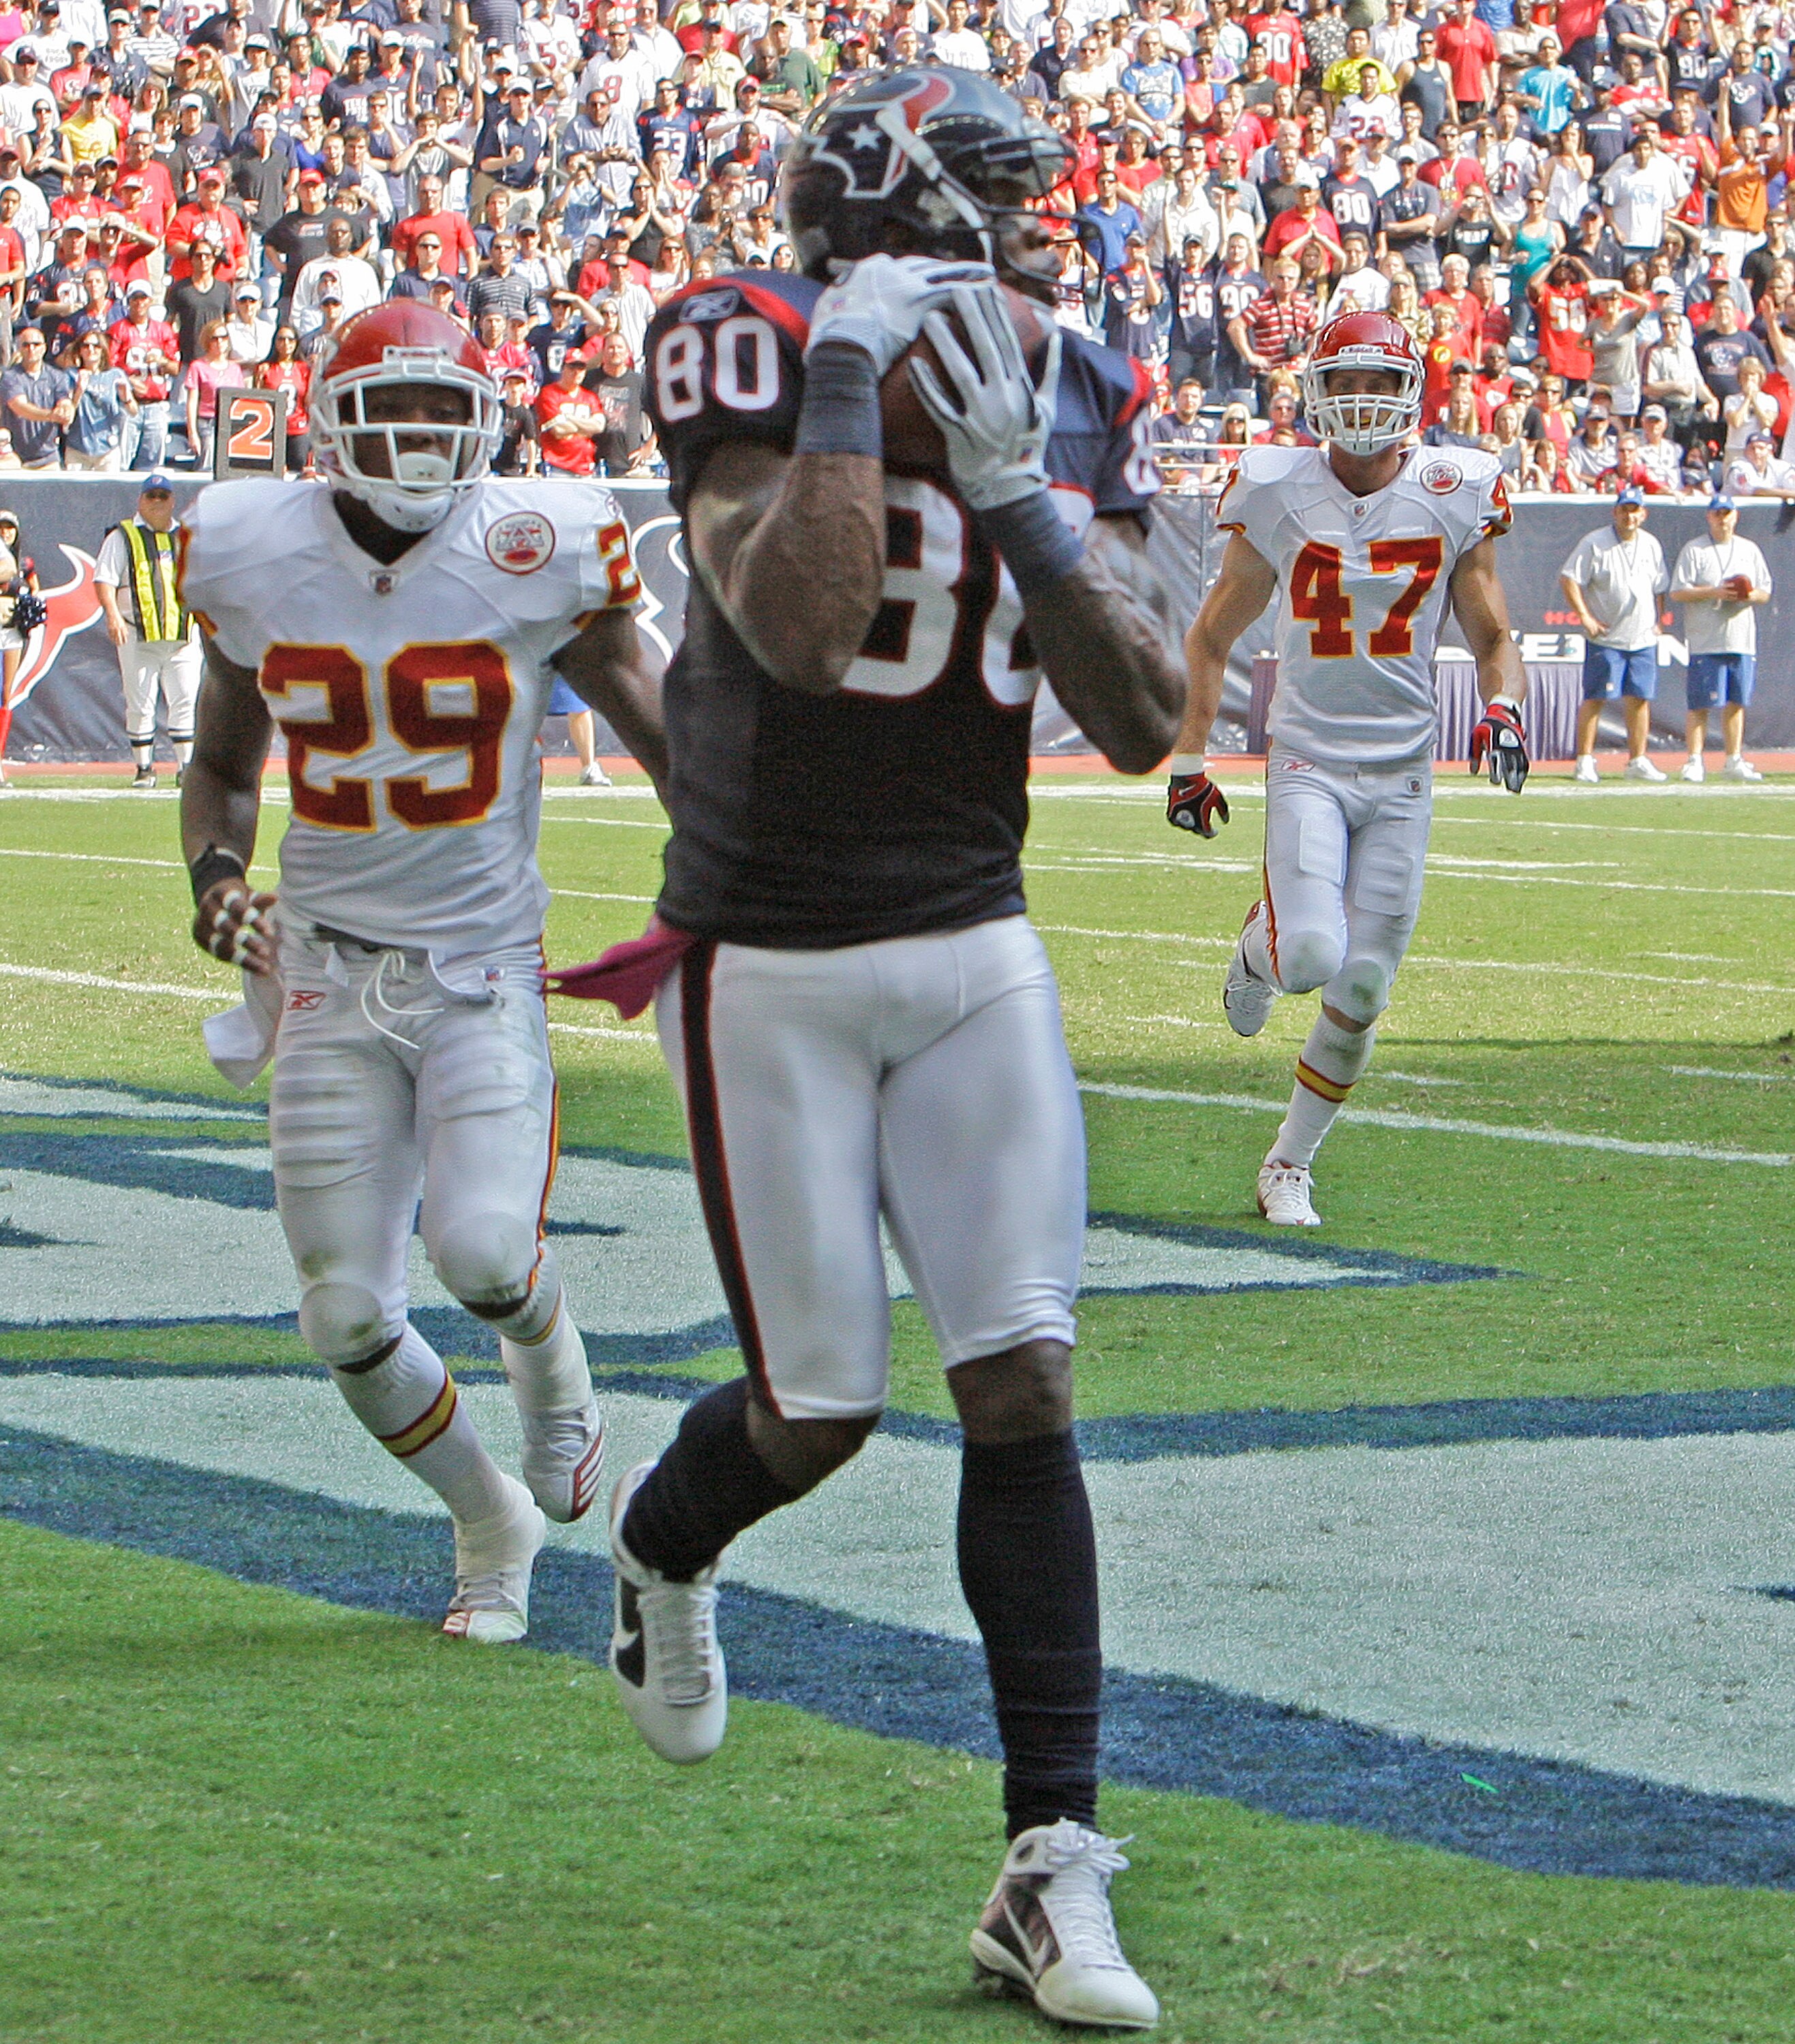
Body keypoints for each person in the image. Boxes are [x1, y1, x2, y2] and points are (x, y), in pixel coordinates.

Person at [610, 69, 1182, 2032]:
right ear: (893, 202)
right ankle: (664, 1548)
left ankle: (1048, 1866)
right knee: (821, 1413)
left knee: (1022, 1381)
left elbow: (1148, 720)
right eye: (1005, 189)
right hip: (771, 953)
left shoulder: (1068, 369)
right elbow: (793, 624)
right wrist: (851, 388)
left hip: (974, 943)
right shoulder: (746, 340)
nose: (1043, 220)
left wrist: (1021, 491)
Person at [177, 301, 666, 1644]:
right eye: (392, 411)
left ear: (487, 419)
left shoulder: (538, 539)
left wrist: (739, 883)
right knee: (342, 1315)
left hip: (480, 967)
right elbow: (222, 766)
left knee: (490, 1253)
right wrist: (217, 886)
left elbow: (661, 722)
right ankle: (484, 1515)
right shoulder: (252, 546)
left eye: (446, 411)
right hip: (328, 977)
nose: (419, 439)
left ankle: (557, 1382)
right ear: (328, 429)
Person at [1170, 309, 1525, 1228]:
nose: (1364, 402)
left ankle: (1288, 1163)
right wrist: (1187, 757)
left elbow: (1491, 634)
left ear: (1413, 395)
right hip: (1309, 761)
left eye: (1381, 383)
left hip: (1404, 773)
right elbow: (1211, 635)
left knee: (1362, 986)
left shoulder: (1455, 487)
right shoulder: (1279, 489)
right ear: (1316, 394)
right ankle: (1261, 947)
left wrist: (1504, 707)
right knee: (1311, 958)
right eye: (1346, 383)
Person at [94, 471, 198, 788]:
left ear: (172, 501)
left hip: (182, 634)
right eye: (151, 497)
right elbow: (105, 579)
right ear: (140, 500)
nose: (156, 503)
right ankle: (144, 767)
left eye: (162, 497)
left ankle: (187, 767)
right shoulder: (123, 536)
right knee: (140, 701)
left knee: (184, 699)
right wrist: (112, 614)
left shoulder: (185, 535)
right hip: (137, 632)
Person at [1561, 486, 1668, 781]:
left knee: (1640, 699)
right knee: (1596, 698)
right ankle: (1584, 759)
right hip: (1607, 637)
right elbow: (1570, 578)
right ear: (1615, 512)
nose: (1630, 516)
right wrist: (1585, 616)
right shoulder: (1595, 543)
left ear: (1643, 514)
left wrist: (1658, 620)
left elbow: (1659, 587)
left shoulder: (1651, 545)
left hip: (1642, 637)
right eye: (1625, 510)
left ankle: (1638, 760)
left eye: (1635, 510)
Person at [1668, 495, 1770, 782]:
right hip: (1706, 639)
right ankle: (1695, 759)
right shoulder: (1695, 550)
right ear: (1709, 517)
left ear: (1735, 517)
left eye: (1727, 514)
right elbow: (1678, 591)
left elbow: (1765, 591)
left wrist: (1747, 595)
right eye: (1717, 514)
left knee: (1736, 702)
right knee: (1700, 703)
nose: (1723, 519)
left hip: (1740, 638)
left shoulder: (1749, 550)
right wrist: (1715, 592)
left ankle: (1733, 758)